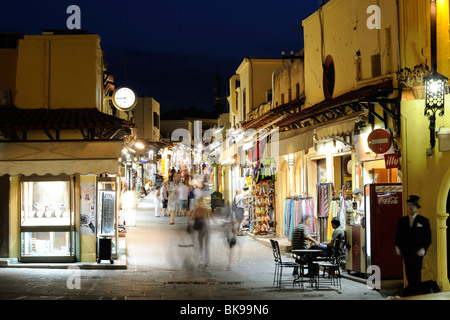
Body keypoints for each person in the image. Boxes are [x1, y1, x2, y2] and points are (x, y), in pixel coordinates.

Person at [395, 195, 432, 296]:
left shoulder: (423, 221)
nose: (411, 207)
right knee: (409, 274)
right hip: (406, 252)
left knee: (416, 274)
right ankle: (412, 293)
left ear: (417, 207)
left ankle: (415, 294)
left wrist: (424, 248)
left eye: (413, 205)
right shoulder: (402, 221)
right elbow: (398, 235)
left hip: (417, 252)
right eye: (409, 205)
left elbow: (428, 237)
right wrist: (397, 246)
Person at [189, 198, 210, 267]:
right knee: (206, 245)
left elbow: (191, 218)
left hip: (200, 228)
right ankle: (206, 261)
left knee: (200, 245)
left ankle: (200, 261)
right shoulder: (206, 209)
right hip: (206, 227)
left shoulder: (197, 209)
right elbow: (209, 218)